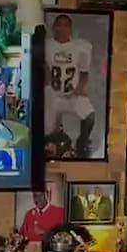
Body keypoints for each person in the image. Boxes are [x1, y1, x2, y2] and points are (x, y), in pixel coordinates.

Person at [44, 14, 95, 158]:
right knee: (47, 130)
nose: (62, 28)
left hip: (72, 93)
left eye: (66, 25)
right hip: (53, 94)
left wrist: (79, 89)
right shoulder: (46, 45)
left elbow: (84, 72)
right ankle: (54, 148)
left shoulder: (81, 47)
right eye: (59, 24)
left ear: (70, 29)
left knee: (89, 115)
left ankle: (82, 142)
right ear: (54, 27)